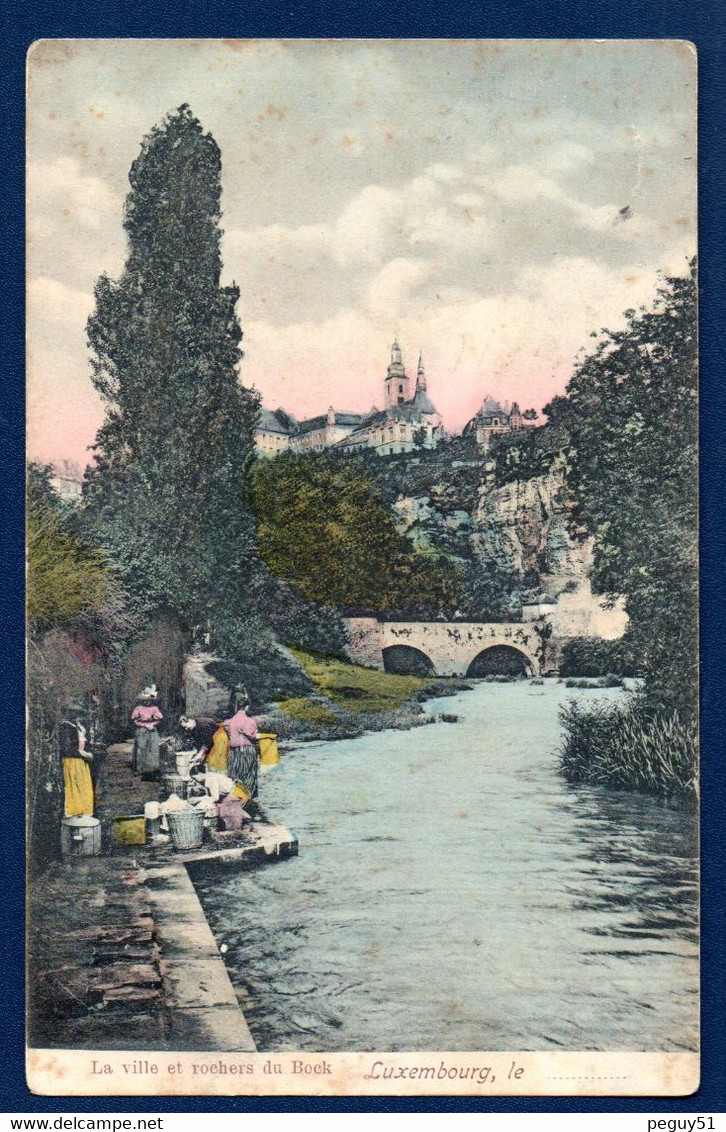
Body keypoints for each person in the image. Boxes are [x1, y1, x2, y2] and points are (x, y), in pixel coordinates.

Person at [60, 701, 94, 817]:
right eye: (73, 713)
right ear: (68, 713)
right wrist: (82, 754)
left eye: (77, 713)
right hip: (72, 761)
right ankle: (75, 814)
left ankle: (85, 812)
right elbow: (67, 749)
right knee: (74, 787)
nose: (76, 716)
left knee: (83, 786)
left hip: (81, 761)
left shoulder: (77, 726)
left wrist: (87, 752)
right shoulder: (66, 726)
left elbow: (83, 741)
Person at [224, 699, 260, 799]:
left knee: (235, 775)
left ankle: (235, 798)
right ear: (246, 707)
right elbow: (253, 736)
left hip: (233, 752)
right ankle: (248, 799)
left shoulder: (229, 721)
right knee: (249, 776)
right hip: (247, 751)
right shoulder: (249, 721)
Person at [131, 684, 163, 778]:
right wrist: (143, 724)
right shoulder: (138, 708)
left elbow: (159, 719)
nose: (147, 702)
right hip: (141, 730)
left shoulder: (154, 708)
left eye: (149, 700)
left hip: (152, 729)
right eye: (146, 700)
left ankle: (151, 768)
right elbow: (134, 720)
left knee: (153, 748)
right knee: (141, 748)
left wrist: (152, 724)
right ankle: (140, 768)